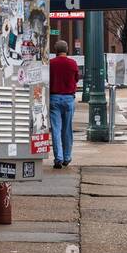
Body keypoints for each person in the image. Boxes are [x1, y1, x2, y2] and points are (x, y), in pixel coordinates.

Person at [49, 39, 79, 168]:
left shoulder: (51, 63)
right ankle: (67, 157)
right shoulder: (73, 63)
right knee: (67, 130)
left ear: (56, 50)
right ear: (67, 50)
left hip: (54, 98)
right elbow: (76, 79)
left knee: (56, 129)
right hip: (68, 99)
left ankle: (58, 158)